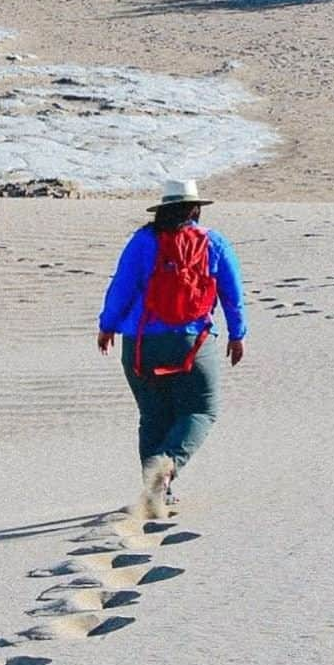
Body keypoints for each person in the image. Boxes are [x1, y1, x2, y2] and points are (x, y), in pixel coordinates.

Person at [97, 179, 246, 515]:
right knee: (200, 411)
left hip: (140, 341)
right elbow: (232, 294)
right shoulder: (214, 242)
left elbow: (121, 286)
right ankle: (167, 470)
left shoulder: (141, 241)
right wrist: (238, 334)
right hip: (193, 340)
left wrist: (107, 326)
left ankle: (156, 492)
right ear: (195, 209)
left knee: (153, 416)